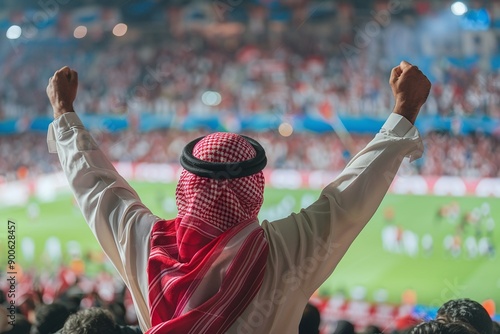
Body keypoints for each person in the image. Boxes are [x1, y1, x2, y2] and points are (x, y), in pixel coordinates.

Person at [46, 60, 430, 333]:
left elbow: (96, 186)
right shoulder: (283, 251)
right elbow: (347, 202)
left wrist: (64, 112)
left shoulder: (147, 244)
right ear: (254, 190)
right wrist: (404, 109)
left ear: (185, 187)